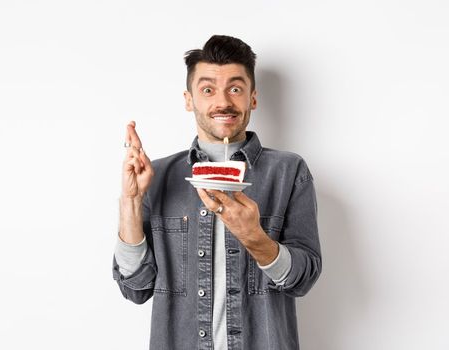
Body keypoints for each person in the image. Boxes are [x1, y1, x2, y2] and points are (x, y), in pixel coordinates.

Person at [113, 35, 322, 350]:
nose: (223, 102)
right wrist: (131, 201)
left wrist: (254, 237)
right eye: (208, 90)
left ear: (252, 97)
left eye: (235, 89)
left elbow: (304, 279)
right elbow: (135, 288)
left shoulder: (288, 172)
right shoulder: (158, 176)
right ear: (189, 99)